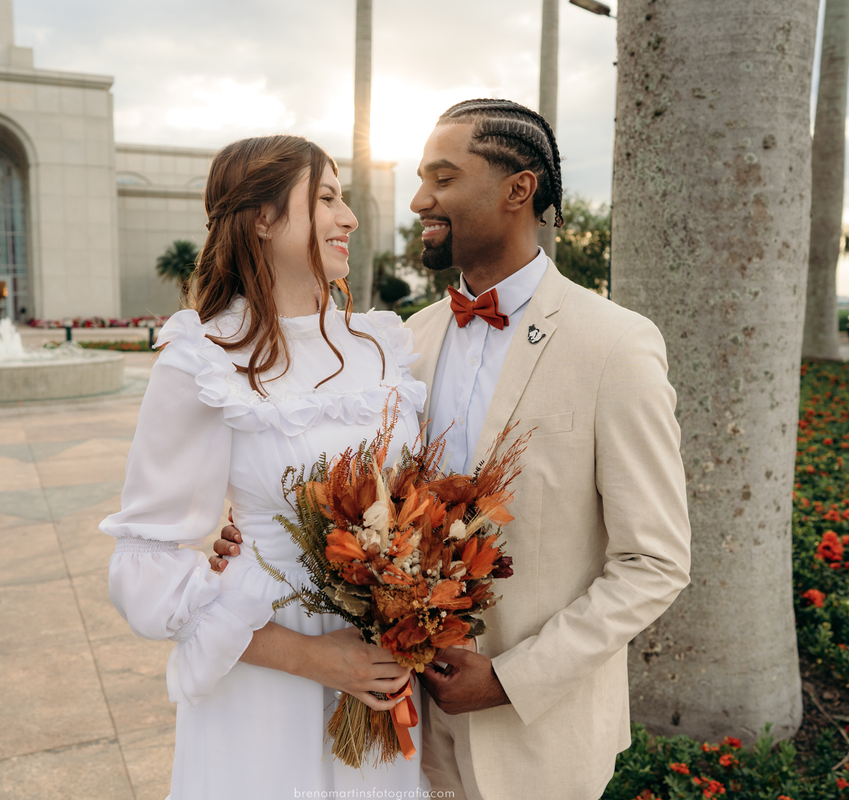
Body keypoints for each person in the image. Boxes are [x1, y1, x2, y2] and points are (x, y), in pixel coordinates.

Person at [212, 100, 693, 800]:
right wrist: (258, 544)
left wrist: (508, 679)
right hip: (401, 731)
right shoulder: (401, 342)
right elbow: (359, 499)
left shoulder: (614, 345)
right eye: (420, 178)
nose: (418, 200)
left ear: (517, 190)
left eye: (442, 178)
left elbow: (654, 561)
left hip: (538, 741)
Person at [101, 134, 430, 799]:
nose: (350, 218)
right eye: (328, 198)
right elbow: (144, 568)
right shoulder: (203, 358)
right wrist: (316, 659)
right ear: (263, 218)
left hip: (382, 667)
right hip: (266, 670)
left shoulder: (380, 346)